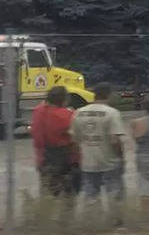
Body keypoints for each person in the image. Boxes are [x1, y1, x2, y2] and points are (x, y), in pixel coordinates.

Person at [71, 83, 127, 226]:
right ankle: (115, 223)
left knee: (90, 194)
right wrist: (121, 158)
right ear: (108, 94)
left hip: (88, 160)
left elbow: (74, 140)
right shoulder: (112, 113)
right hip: (109, 160)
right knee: (114, 193)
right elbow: (115, 140)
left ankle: (92, 223)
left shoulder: (78, 112)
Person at [30, 86, 79, 222]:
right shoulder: (65, 115)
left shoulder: (38, 111)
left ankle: (42, 221)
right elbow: (74, 138)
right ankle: (66, 222)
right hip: (63, 157)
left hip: (43, 157)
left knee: (47, 193)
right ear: (63, 100)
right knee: (69, 194)